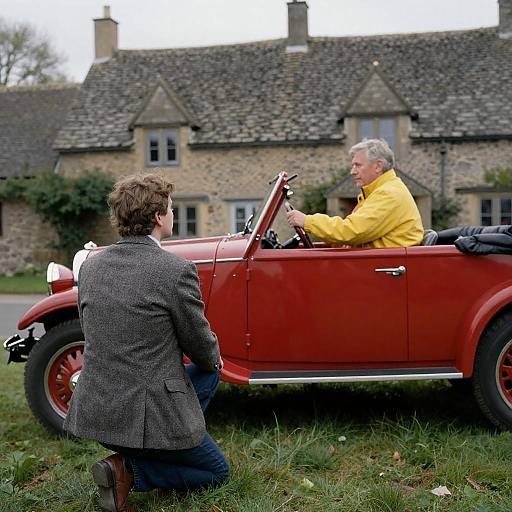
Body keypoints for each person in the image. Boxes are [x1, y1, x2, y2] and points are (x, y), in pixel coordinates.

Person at [64, 173, 228, 512]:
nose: (171, 214)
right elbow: (199, 344)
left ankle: (151, 449)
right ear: (157, 217)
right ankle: (127, 470)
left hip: (98, 411)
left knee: (207, 372)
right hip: (144, 415)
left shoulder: (91, 267)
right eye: (169, 208)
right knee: (216, 471)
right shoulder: (175, 269)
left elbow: (90, 329)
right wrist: (214, 357)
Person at [287, 139, 424, 248]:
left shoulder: (389, 194)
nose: (352, 171)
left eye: (358, 165)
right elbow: (352, 234)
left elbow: (353, 231)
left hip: (383, 271)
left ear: (378, 166)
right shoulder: (376, 192)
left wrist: (307, 221)